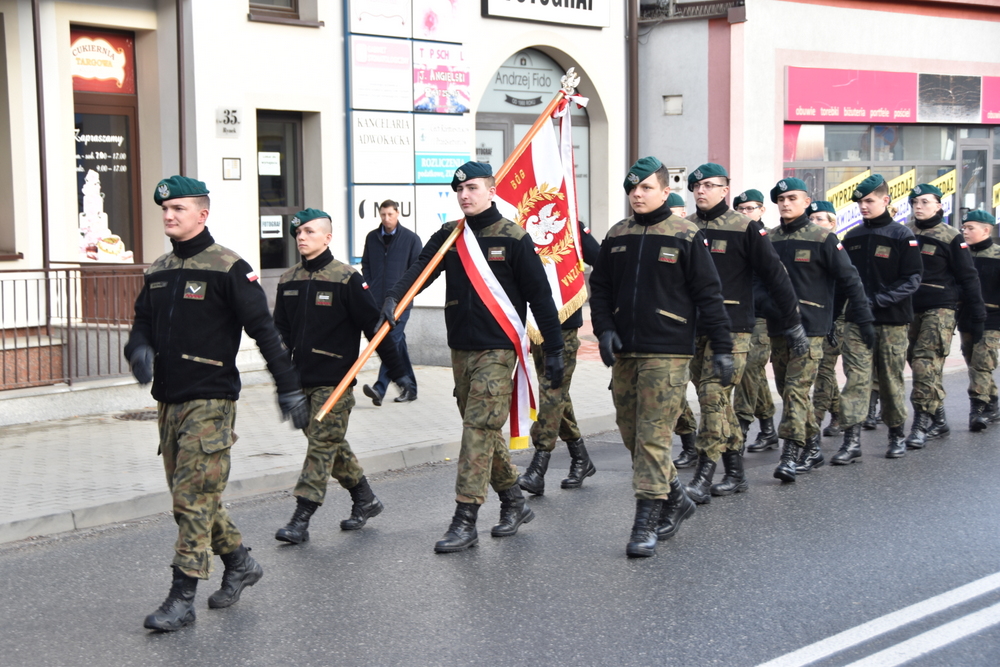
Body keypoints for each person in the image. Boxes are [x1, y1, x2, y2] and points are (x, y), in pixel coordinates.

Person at [125, 176, 310, 632]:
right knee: (192, 499)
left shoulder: (229, 267)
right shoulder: (159, 270)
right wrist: (138, 350)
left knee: (191, 499)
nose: (169, 215)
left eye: (179, 209)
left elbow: (264, 331)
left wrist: (288, 387)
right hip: (168, 400)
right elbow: (141, 324)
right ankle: (241, 562)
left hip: (211, 400)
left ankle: (181, 596)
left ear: (202, 214)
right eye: (165, 209)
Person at [382, 161, 565, 553]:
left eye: (473, 188)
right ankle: (514, 501)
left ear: (492, 191)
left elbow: (541, 298)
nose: (465, 195)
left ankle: (465, 518)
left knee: (477, 428)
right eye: (460, 190)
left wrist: (554, 350)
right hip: (460, 349)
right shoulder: (450, 236)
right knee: (481, 429)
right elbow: (420, 269)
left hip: (497, 350)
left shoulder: (514, 237)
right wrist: (396, 297)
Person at [590, 156, 731, 557]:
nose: (637, 194)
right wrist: (604, 329)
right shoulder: (617, 234)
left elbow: (709, 294)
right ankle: (677, 498)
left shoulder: (686, 234)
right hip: (626, 353)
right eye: (632, 188)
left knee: (653, 438)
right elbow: (599, 289)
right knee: (632, 435)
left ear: (665, 192)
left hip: (667, 352)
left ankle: (644, 522)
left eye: (646, 187)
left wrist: (721, 347)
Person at [273, 209, 415, 545]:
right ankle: (365, 499)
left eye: (309, 232)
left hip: (334, 382)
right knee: (331, 445)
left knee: (321, 446)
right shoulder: (288, 280)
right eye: (298, 233)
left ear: (327, 236)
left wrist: (399, 373)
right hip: (300, 382)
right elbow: (279, 333)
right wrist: (283, 383)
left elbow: (375, 330)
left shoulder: (345, 278)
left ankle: (301, 517)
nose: (302, 238)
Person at [681, 164, 806, 504]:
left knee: (711, 399)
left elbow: (775, 276)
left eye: (710, 185)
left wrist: (793, 322)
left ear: (725, 190)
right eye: (697, 186)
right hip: (693, 330)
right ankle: (735, 472)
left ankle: (704, 475)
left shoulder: (744, 228)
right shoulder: (684, 228)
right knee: (718, 403)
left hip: (735, 328)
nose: (702, 191)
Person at [762, 179, 872, 481]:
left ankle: (790, 454)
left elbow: (849, 280)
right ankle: (812, 446)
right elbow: (758, 283)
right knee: (789, 391)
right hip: (779, 328)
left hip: (811, 329)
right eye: (781, 199)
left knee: (797, 390)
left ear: (807, 201)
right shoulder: (768, 239)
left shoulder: (822, 238)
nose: (786, 203)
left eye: (792, 198)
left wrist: (862, 319)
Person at [835, 174, 922, 460]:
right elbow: (842, 281)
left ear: (885, 200)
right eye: (860, 202)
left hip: (892, 320)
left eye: (869, 201)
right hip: (857, 321)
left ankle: (896, 433)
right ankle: (851, 441)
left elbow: (912, 279)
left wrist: (877, 301)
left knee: (889, 379)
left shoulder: (902, 236)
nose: (863, 206)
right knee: (856, 379)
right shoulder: (853, 237)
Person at [517, 218, 602, 495]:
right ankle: (581, 458)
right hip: (536, 322)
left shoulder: (571, 224)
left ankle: (539, 464)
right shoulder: (522, 221)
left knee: (551, 391)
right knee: (556, 394)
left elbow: (600, 259)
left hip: (564, 322)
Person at [903, 184, 985, 448]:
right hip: (909, 308)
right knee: (920, 363)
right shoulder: (904, 232)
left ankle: (920, 423)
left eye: (925, 202)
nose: (919, 206)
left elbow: (968, 276)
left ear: (939, 205)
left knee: (924, 363)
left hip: (941, 307)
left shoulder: (951, 236)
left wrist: (977, 314)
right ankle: (938, 418)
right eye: (915, 201)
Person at [731, 189, 779, 456]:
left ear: (762, 211)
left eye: (751, 208)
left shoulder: (767, 238)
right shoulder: (732, 237)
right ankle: (769, 428)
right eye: (741, 209)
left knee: (749, 369)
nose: (746, 213)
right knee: (754, 375)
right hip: (737, 316)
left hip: (760, 317)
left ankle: (741, 427)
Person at [361, 200, 423, 405]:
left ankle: (380, 388)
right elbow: (366, 264)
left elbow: (417, 271)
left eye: (390, 214)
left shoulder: (411, 239)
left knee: (389, 342)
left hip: (401, 302)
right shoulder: (372, 237)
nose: (386, 218)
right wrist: (369, 285)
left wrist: (405, 294)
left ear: (398, 214)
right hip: (377, 300)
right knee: (398, 344)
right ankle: (410, 387)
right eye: (383, 215)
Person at [806, 201, 846, 439]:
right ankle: (840, 412)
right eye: (811, 219)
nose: (814, 223)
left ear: (832, 223)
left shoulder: (837, 247)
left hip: (836, 317)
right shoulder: (811, 248)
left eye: (820, 219)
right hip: (814, 317)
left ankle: (817, 417)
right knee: (824, 369)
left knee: (824, 369)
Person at [958, 209, 1000, 430]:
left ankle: (978, 410)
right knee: (973, 363)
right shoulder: (960, 255)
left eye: (970, 228)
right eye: (964, 227)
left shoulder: (998, 255)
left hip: (992, 319)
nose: (965, 231)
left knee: (981, 364)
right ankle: (992, 403)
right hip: (966, 317)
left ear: (986, 229)